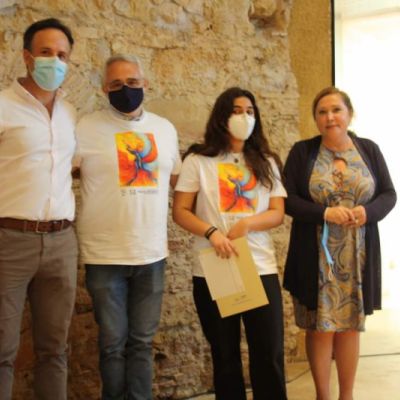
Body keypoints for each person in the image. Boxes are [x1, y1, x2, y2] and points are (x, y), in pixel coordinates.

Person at [74, 54, 181, 400]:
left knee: (142, 342)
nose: (126, 89)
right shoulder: (85, 127)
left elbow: (180, 180)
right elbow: (63, 172)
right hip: (104, 254)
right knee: (112, 344)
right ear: (104, 89)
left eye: (133, 82)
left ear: (145, 83)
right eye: (116, 84)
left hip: (151, 253)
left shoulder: (164, 129)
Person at [173, 87, 287, 400]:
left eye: (250, 111)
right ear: (222, 116)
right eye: (237, 111)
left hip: (259, 266)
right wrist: (211, 232)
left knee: (268, 352)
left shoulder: (266, 161)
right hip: (216, 266)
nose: (244, 117)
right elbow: (180, 211)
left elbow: (277, 212)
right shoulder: (198, 160)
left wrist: (248, 223)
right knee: (225, 356)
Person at [283, 86, 396, 400]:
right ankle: (323, 395)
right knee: (319, 328)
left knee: (349, 328)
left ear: (350, 114)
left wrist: (367, 212)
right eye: (322, 112)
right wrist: (325, 213)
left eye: (336, 110)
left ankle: (347, 395)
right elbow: (287, 199)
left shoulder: (369, 150)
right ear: (316, 119)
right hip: (315, 258)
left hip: (357, 257)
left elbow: (388, 194)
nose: (329, 117)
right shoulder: (302, 152)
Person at [0, 18, 78, 400]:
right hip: (10, 241)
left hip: (61, 242)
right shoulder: (2, 105)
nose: (54, 61)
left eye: (62, 55)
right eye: (46, 52)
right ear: (27, 57)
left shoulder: (70, 113)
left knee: (55, 349)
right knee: (2, 349)